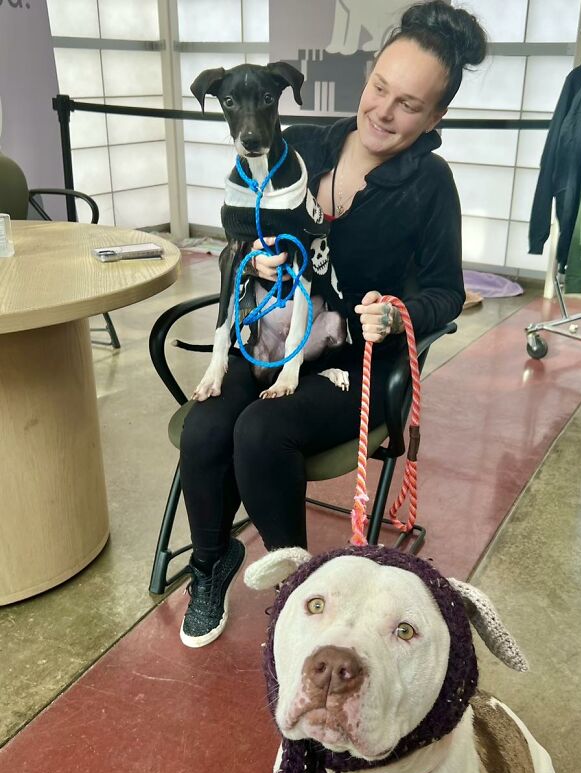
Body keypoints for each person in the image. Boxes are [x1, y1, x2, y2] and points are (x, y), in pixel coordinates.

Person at [177, 0, 487, 647]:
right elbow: (246, 222)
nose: (383, 110)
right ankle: (210, 563)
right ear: (368, 74)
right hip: (272, 335)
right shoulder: (306, 142)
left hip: (353, 358)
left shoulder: (430, 185)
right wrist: (255, 267)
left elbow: (447, 293)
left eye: (408, 103)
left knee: (261, 430)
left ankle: (302, 596)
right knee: (207, 424)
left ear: (436, 116)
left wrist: (397, 312)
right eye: (379, 87)